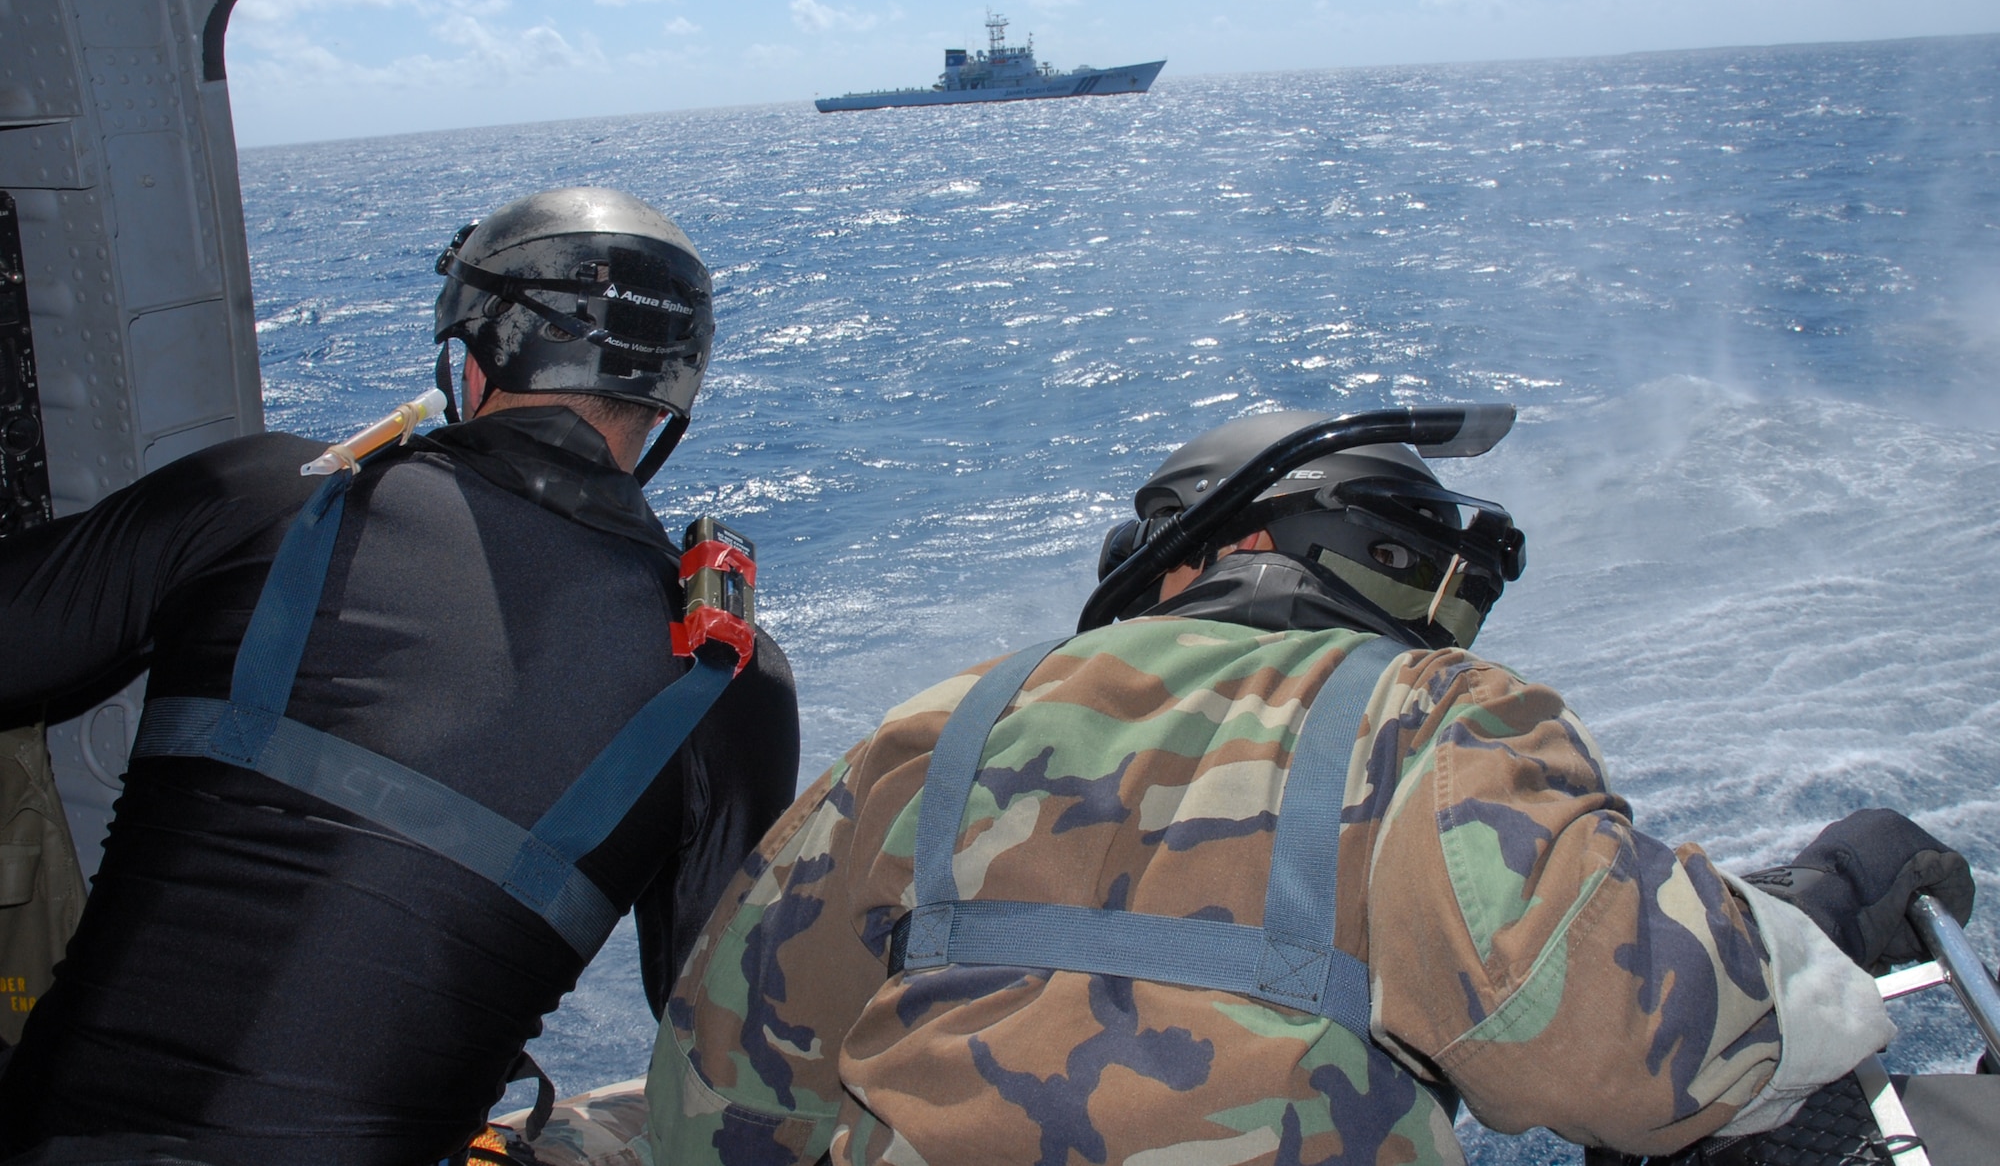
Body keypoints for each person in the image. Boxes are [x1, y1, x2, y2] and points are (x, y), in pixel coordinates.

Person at [644, 407, 1972, 1166]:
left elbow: (717, 1098)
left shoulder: (939, 724)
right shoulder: (1430, 715)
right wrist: (1815, 906)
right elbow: (1630, 1051)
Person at [0, 187, 801, 1164]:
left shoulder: (258, 499)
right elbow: (725, 1053)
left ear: (468, 362)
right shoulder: (723, 677)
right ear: (668, 401)